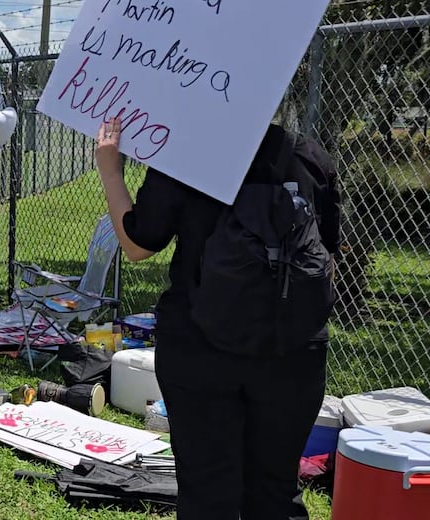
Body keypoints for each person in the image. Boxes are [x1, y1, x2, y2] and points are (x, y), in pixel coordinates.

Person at [95, 117, 340, 519]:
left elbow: (139, 245)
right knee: (277, 492)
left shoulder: (184, 155)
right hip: (293, 350)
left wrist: (110, 170)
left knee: (207, 493)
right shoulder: (309, 155)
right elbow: (327, 257)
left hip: (199, 345)